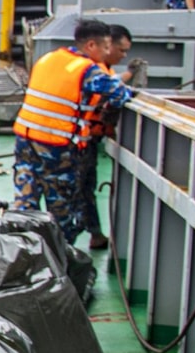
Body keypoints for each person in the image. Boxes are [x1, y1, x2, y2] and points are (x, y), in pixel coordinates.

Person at [11, 17, 135, 246]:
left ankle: (22, 253)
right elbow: (120, 95)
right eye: (106, 47)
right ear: (91, 46)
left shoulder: (48, 58)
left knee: (25, 203)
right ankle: (57, 261)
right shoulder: (88, 70)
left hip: (25, 142)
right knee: (63, 214)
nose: (108, 53)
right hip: (56, 150)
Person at [78, 23, 140, 250]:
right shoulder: (91, 69)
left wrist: (128, 74)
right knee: (81, 189)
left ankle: (94, 234)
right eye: (121, 50)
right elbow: (116, 91)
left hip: (82, 139)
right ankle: (88, 235)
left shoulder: (101, 69)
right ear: (106, 45)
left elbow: (109, 82)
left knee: (84, 188)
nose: (123, 55)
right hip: (78, 141)